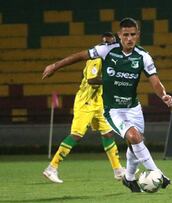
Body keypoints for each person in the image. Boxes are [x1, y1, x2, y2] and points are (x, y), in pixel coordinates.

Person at [42, 17, 172, 192]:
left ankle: (128, 177)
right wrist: (55, 66)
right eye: (125, 35)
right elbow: (81, 56)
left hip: (133, 108)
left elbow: (155, 81)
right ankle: (156, 172)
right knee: (134, 138)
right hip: (113, 110)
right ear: (119, 35)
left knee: (135, 144)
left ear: (138, 35)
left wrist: (163, 95)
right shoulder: (107, 50)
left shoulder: (143, 56)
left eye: (132, 35)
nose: (129, 38)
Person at [42, 32, 127, 184]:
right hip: (85, 102)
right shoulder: (96, 57)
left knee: (108, 133)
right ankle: (51, 168)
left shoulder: (109, 58)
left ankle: (118, 170)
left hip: (98, 103)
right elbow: (92, 79)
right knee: (77, 135)